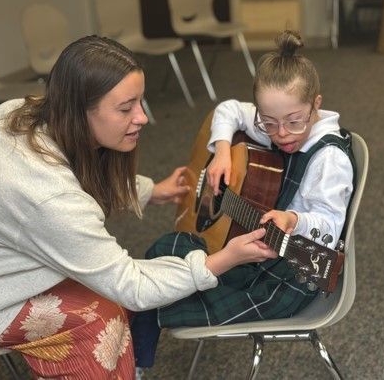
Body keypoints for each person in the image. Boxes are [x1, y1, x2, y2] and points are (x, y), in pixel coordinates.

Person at [0, 35, 278, 379]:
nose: (143, 117)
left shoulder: (19, 113)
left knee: (106, 296)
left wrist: (149, 190)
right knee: (102, 320)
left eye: (140, 101)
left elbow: (74, 173)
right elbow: (131, 284)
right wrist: (221, 261)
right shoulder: (47, 198)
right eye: (125, 108)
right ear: (80, 111)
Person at [131, 30, 356, 372]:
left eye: (294, 122)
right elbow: (228, 110)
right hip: (255, 250)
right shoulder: (277, 119)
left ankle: (134, 365)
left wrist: (295, 220)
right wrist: (222, 150)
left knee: (151, 292)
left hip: (289, 274)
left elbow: (329, 223)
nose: (280, 134)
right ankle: (136, 354)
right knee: (166, 249)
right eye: (269, 123)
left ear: (316, 105)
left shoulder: (329, 160)